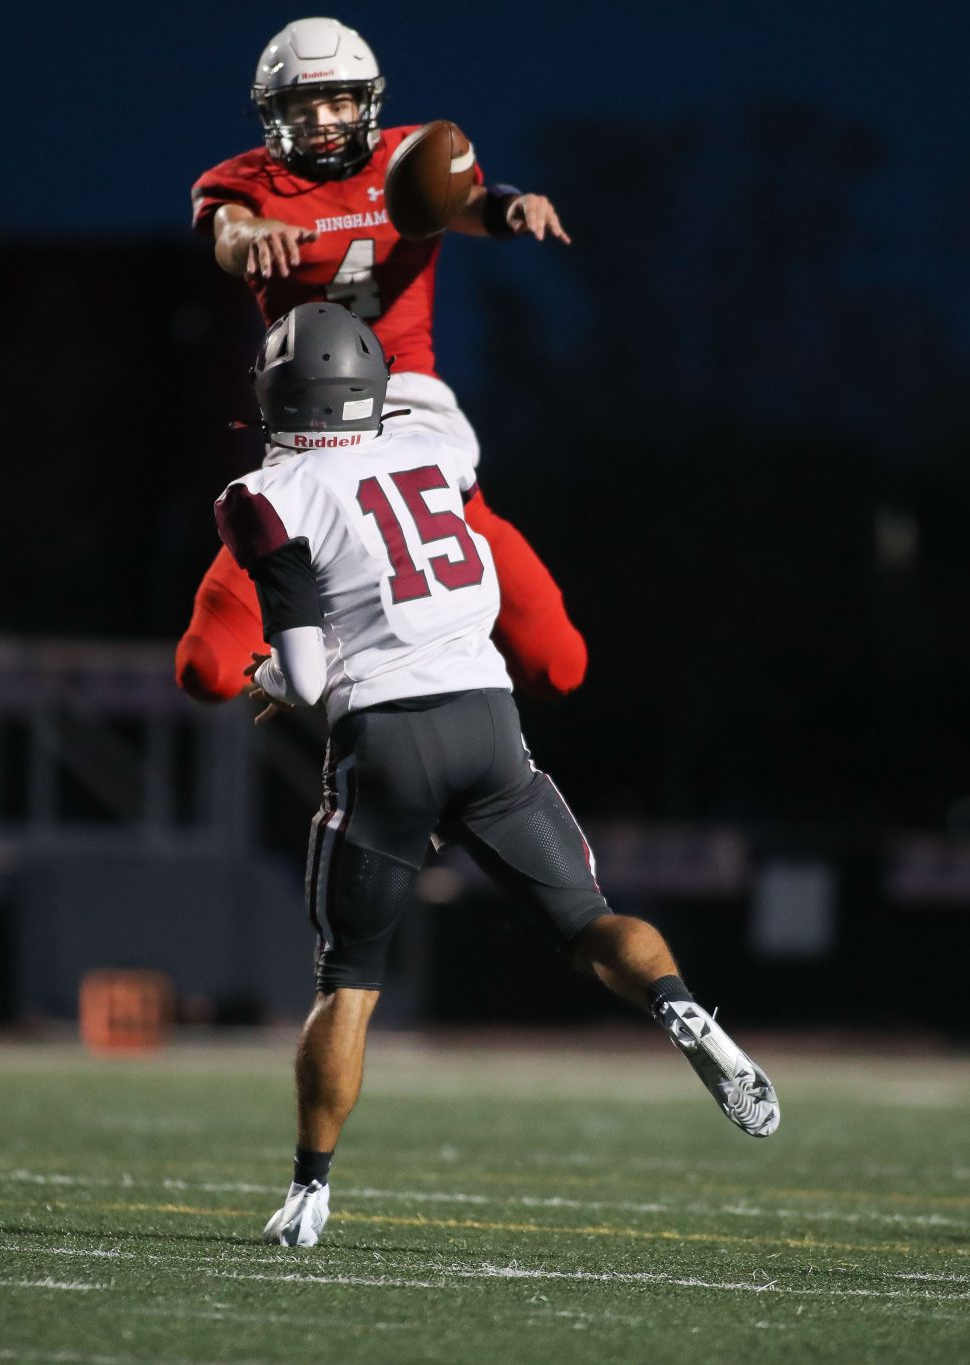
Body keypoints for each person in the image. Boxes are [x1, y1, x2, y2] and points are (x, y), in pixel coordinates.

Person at [215, 304, 778, 1249]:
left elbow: (306, 673)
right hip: (487, 715)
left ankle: (309, 1192)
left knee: (348, 979)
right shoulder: (432, 446)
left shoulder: (262, 493)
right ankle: (680, 1004)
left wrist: (267, 678)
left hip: (387, 740)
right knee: (589, 917)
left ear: (276, 396)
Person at [180, 16, 587, 705]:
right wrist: (251, 234)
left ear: (367, 102)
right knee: (207, 668)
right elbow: (226, 231)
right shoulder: (245, 184)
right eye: (305, 107)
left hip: (409, 409)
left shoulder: (405, 159)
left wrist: (513, 209)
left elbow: (470, 205)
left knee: (557, 661)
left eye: (339, 101)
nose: (326, 120)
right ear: (272, 116)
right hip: (310, 426)